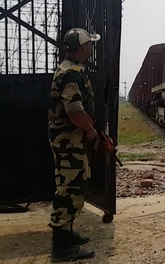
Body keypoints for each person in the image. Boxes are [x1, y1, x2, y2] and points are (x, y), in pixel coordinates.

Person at [47, 27, 106, 261]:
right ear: (83, 47)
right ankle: (61, 247)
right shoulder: (70, 74)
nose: (92, 48)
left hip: (70, 139)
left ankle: (67, 233)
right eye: (90, 44)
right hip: (68, 140)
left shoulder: (72, 70)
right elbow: (74, 111)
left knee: (75, 184)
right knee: (69, 188)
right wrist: (91, 133)